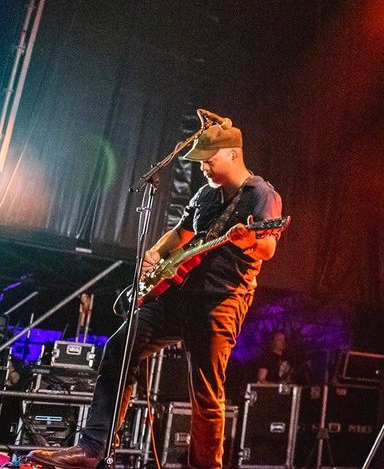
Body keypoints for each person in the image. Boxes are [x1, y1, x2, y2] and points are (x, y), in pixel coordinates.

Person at [30, 123, 283, 469]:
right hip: (178, 294)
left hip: (221, 301)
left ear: (232, 154)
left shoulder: (260, 194)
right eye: (200, 162)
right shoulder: (206, 195)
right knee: (121, 347)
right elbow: (180, 234)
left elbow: (268, 247)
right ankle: (94, 448)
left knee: (205, 390)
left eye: (208, 160)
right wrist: (156, 253)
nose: (203, 168)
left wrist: (249, 240)